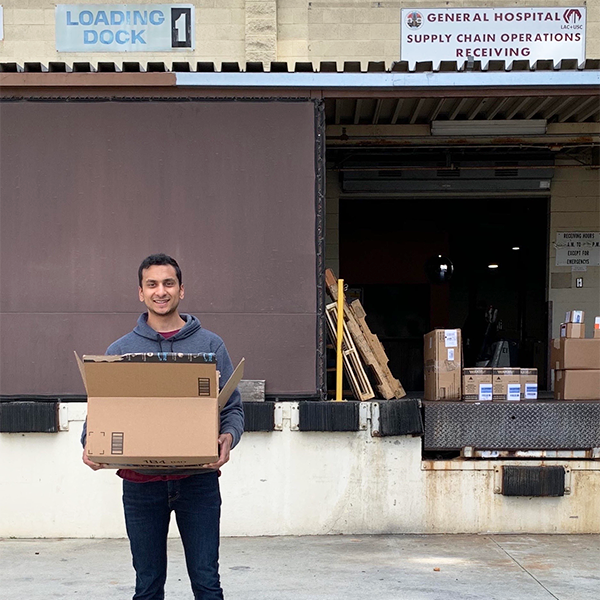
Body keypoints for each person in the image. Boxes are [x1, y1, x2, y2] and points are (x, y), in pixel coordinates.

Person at [82, 253, 244, 600]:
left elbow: (232, 408)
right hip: (141, 487)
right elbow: (99, 413)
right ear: (140, 292)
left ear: (181, 290)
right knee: (148, 584)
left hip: (197, 481)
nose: (161, 291)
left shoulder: (210, 346)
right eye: (152, 284)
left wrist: (228, 438)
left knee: (206, 581)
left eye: (168, 283)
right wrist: (89, 445)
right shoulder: (121, 350)